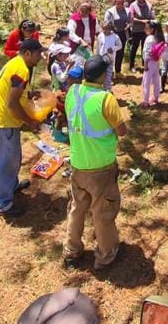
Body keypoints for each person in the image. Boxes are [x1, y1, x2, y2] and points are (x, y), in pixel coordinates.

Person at [63, 55, 128, 270]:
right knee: (103, 213)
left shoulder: (72, 92)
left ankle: (72, 250)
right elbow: (122, 130)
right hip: (101, 166)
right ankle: (106, 254)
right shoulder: (105, 99)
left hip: (78, 162)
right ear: (102, 75)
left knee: (77, 208)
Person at [0, 39, 54, 218]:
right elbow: (12, 103)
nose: (41, 57)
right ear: (28, 53)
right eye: (39, 53)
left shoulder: (15, 63)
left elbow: (14, 92)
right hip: (3, 124)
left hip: (3, 121)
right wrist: (29, 122)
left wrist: (30, 94)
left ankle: (11, 186)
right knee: (6, 163)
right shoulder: (21, 69)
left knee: (13, 158)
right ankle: (2, 204)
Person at [102, 0, 130, 76]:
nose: (120, 5)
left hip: (123, 34)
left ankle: (118, 71)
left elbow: (130, 21)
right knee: (110, 53)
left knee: (120, 53)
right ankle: (107, 72)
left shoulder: (127, 11)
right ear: (115, 3)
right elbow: (106, 23)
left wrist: (129, 25)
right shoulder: (110, 12)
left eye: (121, 3)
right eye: (118, 3)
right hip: (111, 34)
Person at [127, 0, 154, 71]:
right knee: (134, 48)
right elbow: (131, 18)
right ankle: (131, 66)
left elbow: (152, 15)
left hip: (147, 30)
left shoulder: (149, 5)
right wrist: (142, 21)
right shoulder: (133, 5)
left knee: (145, 48)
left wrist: (152, 17)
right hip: (136, 30)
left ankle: (144, 63)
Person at [141, 21, 163, 107]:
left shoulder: (149, 39)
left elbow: (147, 52)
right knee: (156, 80)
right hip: (156, 62)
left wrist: (145, 63)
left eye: (147, 28)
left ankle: (145, 101)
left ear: (152, 29)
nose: (144, 30)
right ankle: (156, 98)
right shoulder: (158, 38)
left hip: (149, 63)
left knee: (146, 82)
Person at [95, 19, 122, 91]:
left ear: (110, 28)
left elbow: (120, 46)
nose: (105, 30)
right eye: (103, 28)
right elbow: (98, 47)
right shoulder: (100, 36)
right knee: (101, 76)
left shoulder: (115, 37)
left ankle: (108, 91)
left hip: (110, 60)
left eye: (106, 28)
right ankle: (101, 90)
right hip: (101, 59)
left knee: (108, 77)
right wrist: (97, 56)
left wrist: (113, 48)